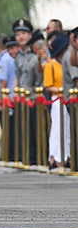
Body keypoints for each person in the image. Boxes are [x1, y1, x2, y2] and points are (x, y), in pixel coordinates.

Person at [12, 19, 39, 164]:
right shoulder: (18, 56)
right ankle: (26, 157)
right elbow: (17, 76)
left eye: (23, 33)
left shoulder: (36, 54)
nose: (20, 37)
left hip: (35, 99)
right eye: (18, 34)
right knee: (23, 130)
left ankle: (36, 158)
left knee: (35, 130)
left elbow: (40, 80)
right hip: (21, 99)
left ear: (30, 35)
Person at [43, 35, 71, 169]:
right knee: (57, 128)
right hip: (57, 99)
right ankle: (55, 156)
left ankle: (67, 156)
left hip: (69, 98)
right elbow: (48, 85)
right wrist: (62, 89)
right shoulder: (50, 65)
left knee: (67, 128)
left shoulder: (69, 63)